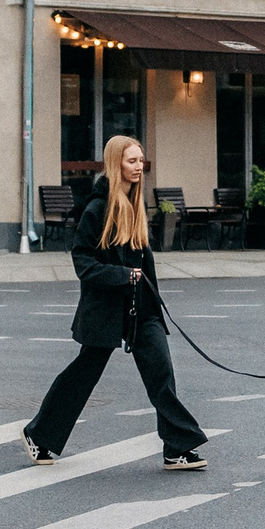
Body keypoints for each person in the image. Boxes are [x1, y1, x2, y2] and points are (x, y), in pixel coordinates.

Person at [21, 135, 209, 470]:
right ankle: (41, 435)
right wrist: (123, 276)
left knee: (161, 372)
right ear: (115, 164)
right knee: (82, 375)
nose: (139, 167)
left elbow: (144, 264)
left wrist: (152, 299)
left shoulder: (135, 204)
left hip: (141, 309)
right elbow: (84, 264)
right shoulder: (97, 209)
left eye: (141, 161)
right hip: (105, 310)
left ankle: (176, 448)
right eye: (132, 161)